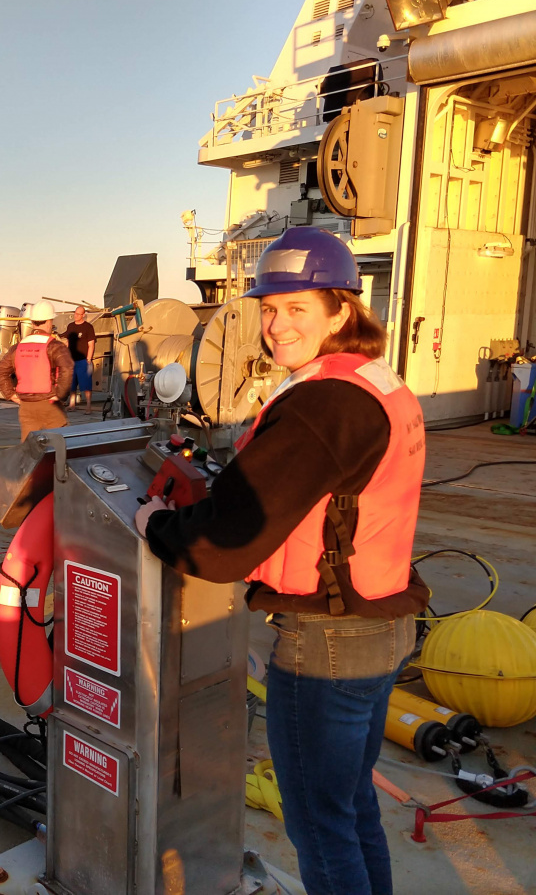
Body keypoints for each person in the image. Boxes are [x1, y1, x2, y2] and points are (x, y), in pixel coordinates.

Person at [134, 227, 427, 895]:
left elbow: (228, 541)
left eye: (297, 308)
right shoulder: (376, 382)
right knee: (351, 810)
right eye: (269, 308)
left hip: (328, 645)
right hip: (381, 624)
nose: (275, 324)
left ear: (341, 310)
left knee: (320, 828)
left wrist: (160, 527)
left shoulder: (324, 402)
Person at [0, 301, 74, 441]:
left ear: (32, 322)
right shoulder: (55, 346)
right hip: (50, 404)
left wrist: (11, 395)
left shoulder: (17, 347)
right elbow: (67, 368)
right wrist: (60, 394)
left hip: (26, 406)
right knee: (60, 446)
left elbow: (0, 372)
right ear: (49, 321)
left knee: (29, 449)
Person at [62, 305, 97, 412]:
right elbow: (66, 341)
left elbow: (91, 344)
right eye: (75, 313)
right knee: (72, 384)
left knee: (86, 384)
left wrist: (88, 359)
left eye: (78, 314)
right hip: (71, 360)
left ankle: (88, 406)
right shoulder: (70, 327)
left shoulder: (88, 327)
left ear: (83, 315)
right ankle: (72, 404)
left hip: (83, 361)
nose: (75, 315)